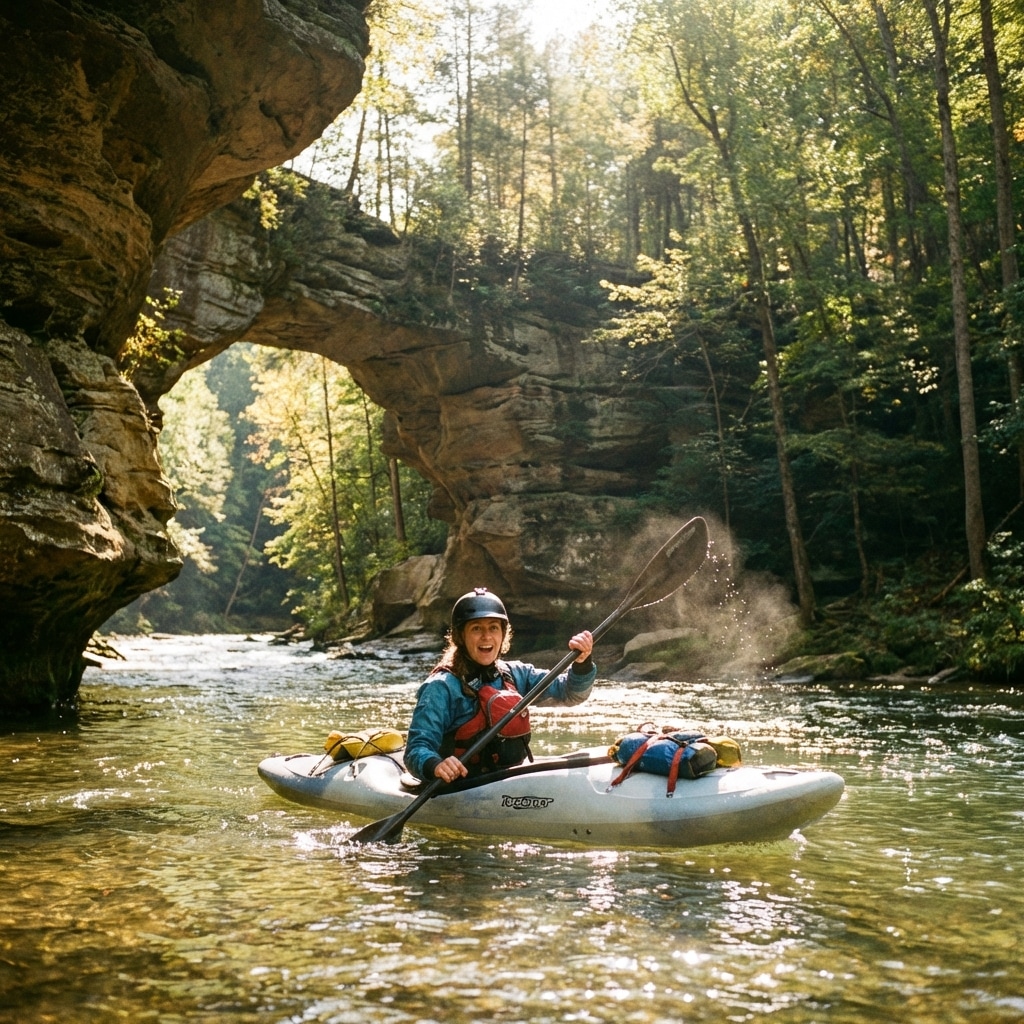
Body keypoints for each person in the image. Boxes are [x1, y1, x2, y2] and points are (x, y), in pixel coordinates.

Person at [404, 587, 596, 783]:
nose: (486, 636)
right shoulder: (441, 687)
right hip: (460, 786)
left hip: (507, 782)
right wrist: (435, 765)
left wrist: (582, 663)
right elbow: (416, 749)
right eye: (476, 628)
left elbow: (570, 694)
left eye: (493, 627)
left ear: (503, 634)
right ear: (460, 636)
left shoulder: (516, 674)